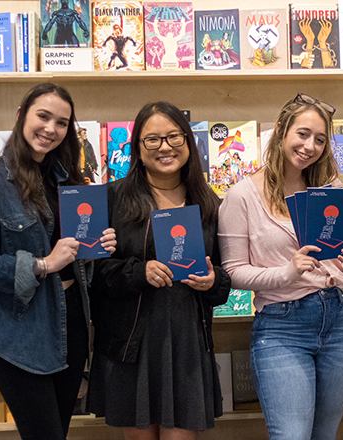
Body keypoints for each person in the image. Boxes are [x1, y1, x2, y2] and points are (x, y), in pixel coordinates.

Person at [0, 83, 117, 440]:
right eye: (43, 117)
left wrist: (97, 247)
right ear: (20, 116)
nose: (50, 129)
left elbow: (74, 255)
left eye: (61, 123)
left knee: (56, 433)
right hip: (19, 335)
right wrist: (43, 264)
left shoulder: (68, 181)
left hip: (71, 325)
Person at [218, 93, 343, 440]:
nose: (310, 146)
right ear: (281, 130)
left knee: (324, 435)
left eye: (319, 139)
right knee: (291, 435)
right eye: (302, 134)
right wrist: (288, 271)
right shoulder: (242, 196)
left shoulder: (329, 188)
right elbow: (234, 271)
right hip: (283, 327)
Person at [88, 101, 231, 440]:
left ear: (188, 141)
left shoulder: (209, 203)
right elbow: (94, 274)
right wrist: (140, 273)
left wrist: (212, 282)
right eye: (152, 139)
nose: (164, 147)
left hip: (186, 343)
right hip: (131, 345)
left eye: (173, 137)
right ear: (137, 147)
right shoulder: (112, 198)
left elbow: (225, 279)